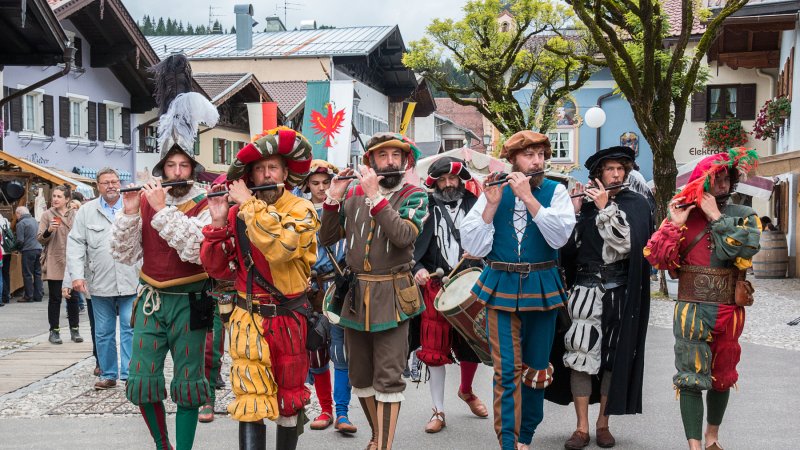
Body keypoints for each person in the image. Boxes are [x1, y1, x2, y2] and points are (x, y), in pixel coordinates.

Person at [111, 53, 218, 450]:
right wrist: (128, 214)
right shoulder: (145, 199)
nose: (176, 171)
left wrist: (158, 210)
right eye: (170, 165)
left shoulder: (208, 203)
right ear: (161, 168)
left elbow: (196, 249)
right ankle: (162, 445)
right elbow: (122, 253)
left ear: (192, 168)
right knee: (141, 380)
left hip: (191, 301)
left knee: (190, 384)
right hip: (152, 299)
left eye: (182, 165)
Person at [200, 126, 317, 450]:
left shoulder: (301, 210)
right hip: (247, 321)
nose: (266, 174)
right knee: (249, 400)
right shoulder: (237, 213)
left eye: (273, 168)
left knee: (289, 399)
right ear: (250, 175)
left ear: (286, 172)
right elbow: (216, 268)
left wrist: (249, 207)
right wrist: (220, 224)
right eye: (260, 168)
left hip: (288, 319)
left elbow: (282, 249)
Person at [460, 131, 576, 450]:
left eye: (540, 154)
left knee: (537, 368)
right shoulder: (493, 191)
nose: (536, 161)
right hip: (501, 284)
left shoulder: (556, 191)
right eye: (528, 155)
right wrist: (491, 206)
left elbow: (559, 238)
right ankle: (509, 442)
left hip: (542, 285)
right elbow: (472, 244)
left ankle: (526, 435)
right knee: (507, 369)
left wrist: (528, 197)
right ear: (513, 160)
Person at [644, 149, 761, 450]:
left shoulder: (744, 215)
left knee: (723, 375)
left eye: (726, 178)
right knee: (690, 376)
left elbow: (743, 251)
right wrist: (673, 223)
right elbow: (655, 258)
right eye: (716, 178)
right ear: (703, 182)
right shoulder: (683, 214)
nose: (722, 184)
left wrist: (717, 218)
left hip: (728, 308)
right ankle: (694, 444)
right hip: (691, 308)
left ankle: (712, 436)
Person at [320, 132, 428, 450]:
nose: (390, 161)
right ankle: (379, 434)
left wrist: (376, 198)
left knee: (389, 377)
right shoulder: (352, 194)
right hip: (355, 297)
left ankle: (384, 445)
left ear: (406, 162)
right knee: (360, 377)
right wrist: (332, 198)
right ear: (371, 161)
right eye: (383, 156)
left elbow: (404, 236)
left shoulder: (415, 195)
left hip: (394, 294)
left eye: (397, 155)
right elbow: (326, 238)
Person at [550, 147, 653, 449]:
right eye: (610, 169)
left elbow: (627, 246)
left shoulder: (636, 203)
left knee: (611, 360)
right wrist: (575, 214)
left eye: (622, 169)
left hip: (619, 293)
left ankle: (603, 424)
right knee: (580, 359)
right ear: (598, 174)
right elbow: (566, 251)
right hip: (584, 291)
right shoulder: (586, 207)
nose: (617, 174)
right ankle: (581, 428)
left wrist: (606, 207)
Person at [411, 156, 488, 434]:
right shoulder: (425, 207)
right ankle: (438, 411)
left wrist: (481, 252)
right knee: (434, 350)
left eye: (451, 179)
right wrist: (417, 269)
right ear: (435, 183)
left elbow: (490, 236)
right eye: (441, 180)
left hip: (471, 281)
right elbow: (411, 246)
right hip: (435, 285)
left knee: (473, 341)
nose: (447, 184)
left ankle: (466, 391)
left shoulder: (476, 204)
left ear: (460, 179)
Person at [66, 168, 138, 390]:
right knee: (103, 331)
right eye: (106, 182)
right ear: (98, 186)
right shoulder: (87, 211)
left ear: (120, 183)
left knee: (130, 327)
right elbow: (76, 244)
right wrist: (76, 276)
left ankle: (128, 374)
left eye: (115, 181)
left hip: (131, 280)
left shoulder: (133, 208)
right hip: (99, 282)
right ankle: (108, 374)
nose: (111, 186)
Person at [301, 160, 357, 434]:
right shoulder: (297, 210)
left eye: (326, 183)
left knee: (340, 352)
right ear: (307, 185)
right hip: (310, 288)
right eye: (316, 183)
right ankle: (325, 409)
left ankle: (343, 413)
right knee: (316, 352)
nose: (322, 188)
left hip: (338, 284)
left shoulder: (344, 208)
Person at [37, 185, 82, 345]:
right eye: (54, 196)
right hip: (54, 259)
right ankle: (54, 331)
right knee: (55, 298)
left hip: (72, 261)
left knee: (74, 297)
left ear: (67, 199)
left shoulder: (75, 214)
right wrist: (49, 230)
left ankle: (75, 330)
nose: (55, 199)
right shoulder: (47, 215)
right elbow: (40, 239)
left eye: (58, 196)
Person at [14, 206, 43, 303]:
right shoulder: (34, 220)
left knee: (27, 274)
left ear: (19, 213)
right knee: (38, 273)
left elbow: (20, 240)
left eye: (16, 214)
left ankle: (28, 296)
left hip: (28, 250)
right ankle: (38, 295)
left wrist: (16, 248)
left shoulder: (21, 223)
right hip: (38, 248)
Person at [0, 213, 14, 305]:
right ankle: (6, 296)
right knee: (6, 274)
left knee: (1, 275)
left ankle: (2, 296)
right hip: (7, 251)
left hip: (1, 251)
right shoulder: (5, 220)